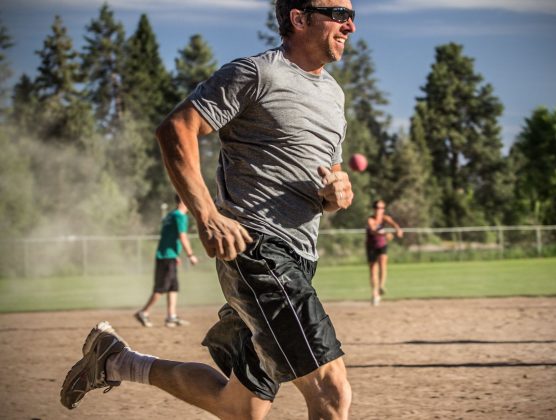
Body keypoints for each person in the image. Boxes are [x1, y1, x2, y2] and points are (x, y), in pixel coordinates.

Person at [60, 1, 356, 419]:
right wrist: (207, 215)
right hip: (260, 252)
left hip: (301, 258)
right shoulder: (256, 73)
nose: (351, 25)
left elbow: (331, 182)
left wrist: (338, 194)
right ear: (299, 17)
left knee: (240, 406)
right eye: (339, 14)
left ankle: (116, 360)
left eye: (351, 14)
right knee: (331, 393)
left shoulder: (334, 94)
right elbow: (175, 130)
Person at [134, 194, 198, 328]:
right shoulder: (180, 216)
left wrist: (175, 254)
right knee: (161, 288)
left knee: (173, 287)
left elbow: (168, 237)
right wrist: (190, 254)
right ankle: (143, 312)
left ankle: (171, 317)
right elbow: (182, 236)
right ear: (183, 201)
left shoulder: (171, 215)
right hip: (166, 257)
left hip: (167, 255)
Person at [366, 199, 403, 306]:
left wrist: (398, 230)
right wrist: (385, 234)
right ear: (374, 209)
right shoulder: (371, 219)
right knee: (373, 270)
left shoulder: (384, 218)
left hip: (382, 245)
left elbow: (393, 223)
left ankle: (381, 286)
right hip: (371, 246)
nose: (380, 210)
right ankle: (375, 293)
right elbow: (373, 230)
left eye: (382, 208)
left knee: (383, 265)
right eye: (378, 208)